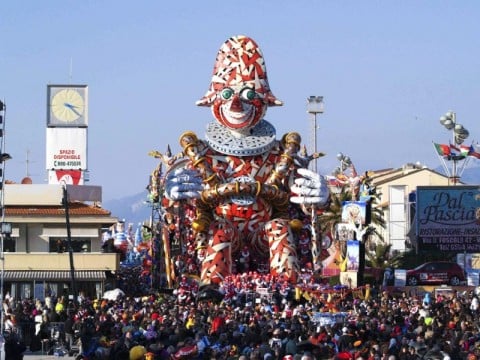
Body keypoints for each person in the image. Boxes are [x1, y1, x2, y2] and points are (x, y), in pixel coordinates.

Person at [164, 35, 329, 285]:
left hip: (263, 237)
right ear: (212, 98)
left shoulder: (278, 155)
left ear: (264, 100)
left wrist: (321, 197)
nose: (236, 103)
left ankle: (287, 287)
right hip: (221, 228)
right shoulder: (203, 156)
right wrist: (171, 195)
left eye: (249, 93)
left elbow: (304, 208)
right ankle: (212, 287)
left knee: (279, 228)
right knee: (221, 230)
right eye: (228, 93)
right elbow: (183, 210)